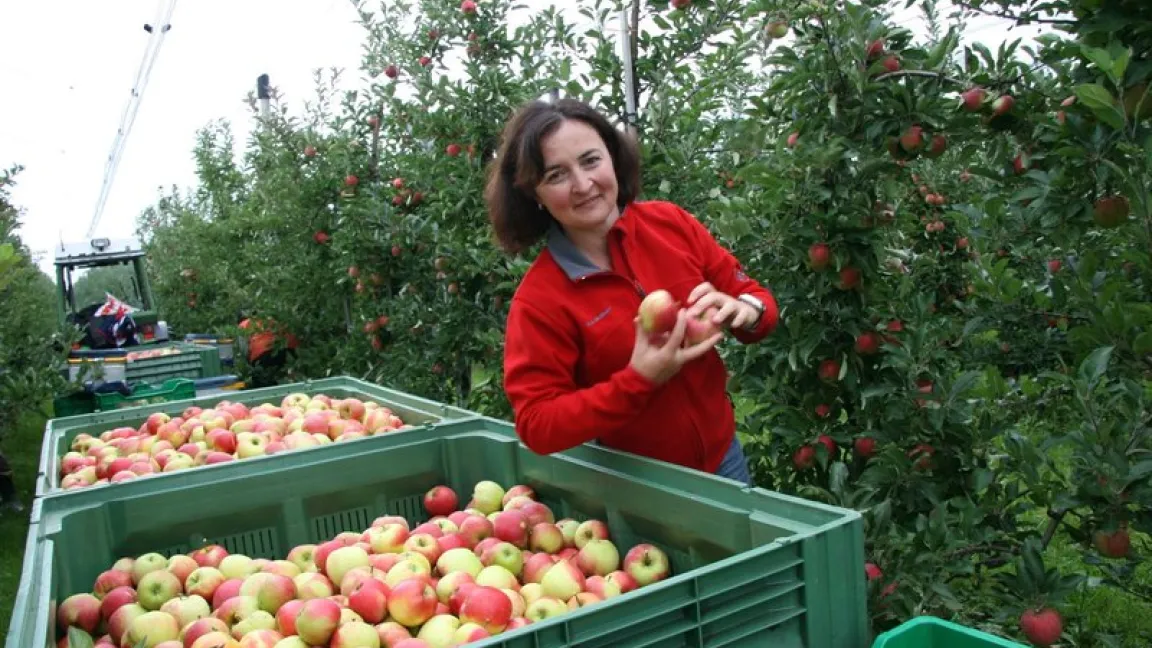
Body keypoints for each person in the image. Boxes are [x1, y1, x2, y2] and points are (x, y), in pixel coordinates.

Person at [484, 97, 779, 486]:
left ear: (613, 158)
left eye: (591, 160)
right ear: (533, 194)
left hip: (724, 461)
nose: (583, 185)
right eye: (556, 175)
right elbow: (538, 423)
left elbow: (754, 297)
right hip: (637, 486)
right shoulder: (541, 299)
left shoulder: (670, 224)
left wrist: (745, 309)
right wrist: (637, 380)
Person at [238, 312, 299, 388]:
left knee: (263, 384)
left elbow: (245, 351)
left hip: (263, 355)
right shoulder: (272, 316)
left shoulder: (243, 325)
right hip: (290, 350)